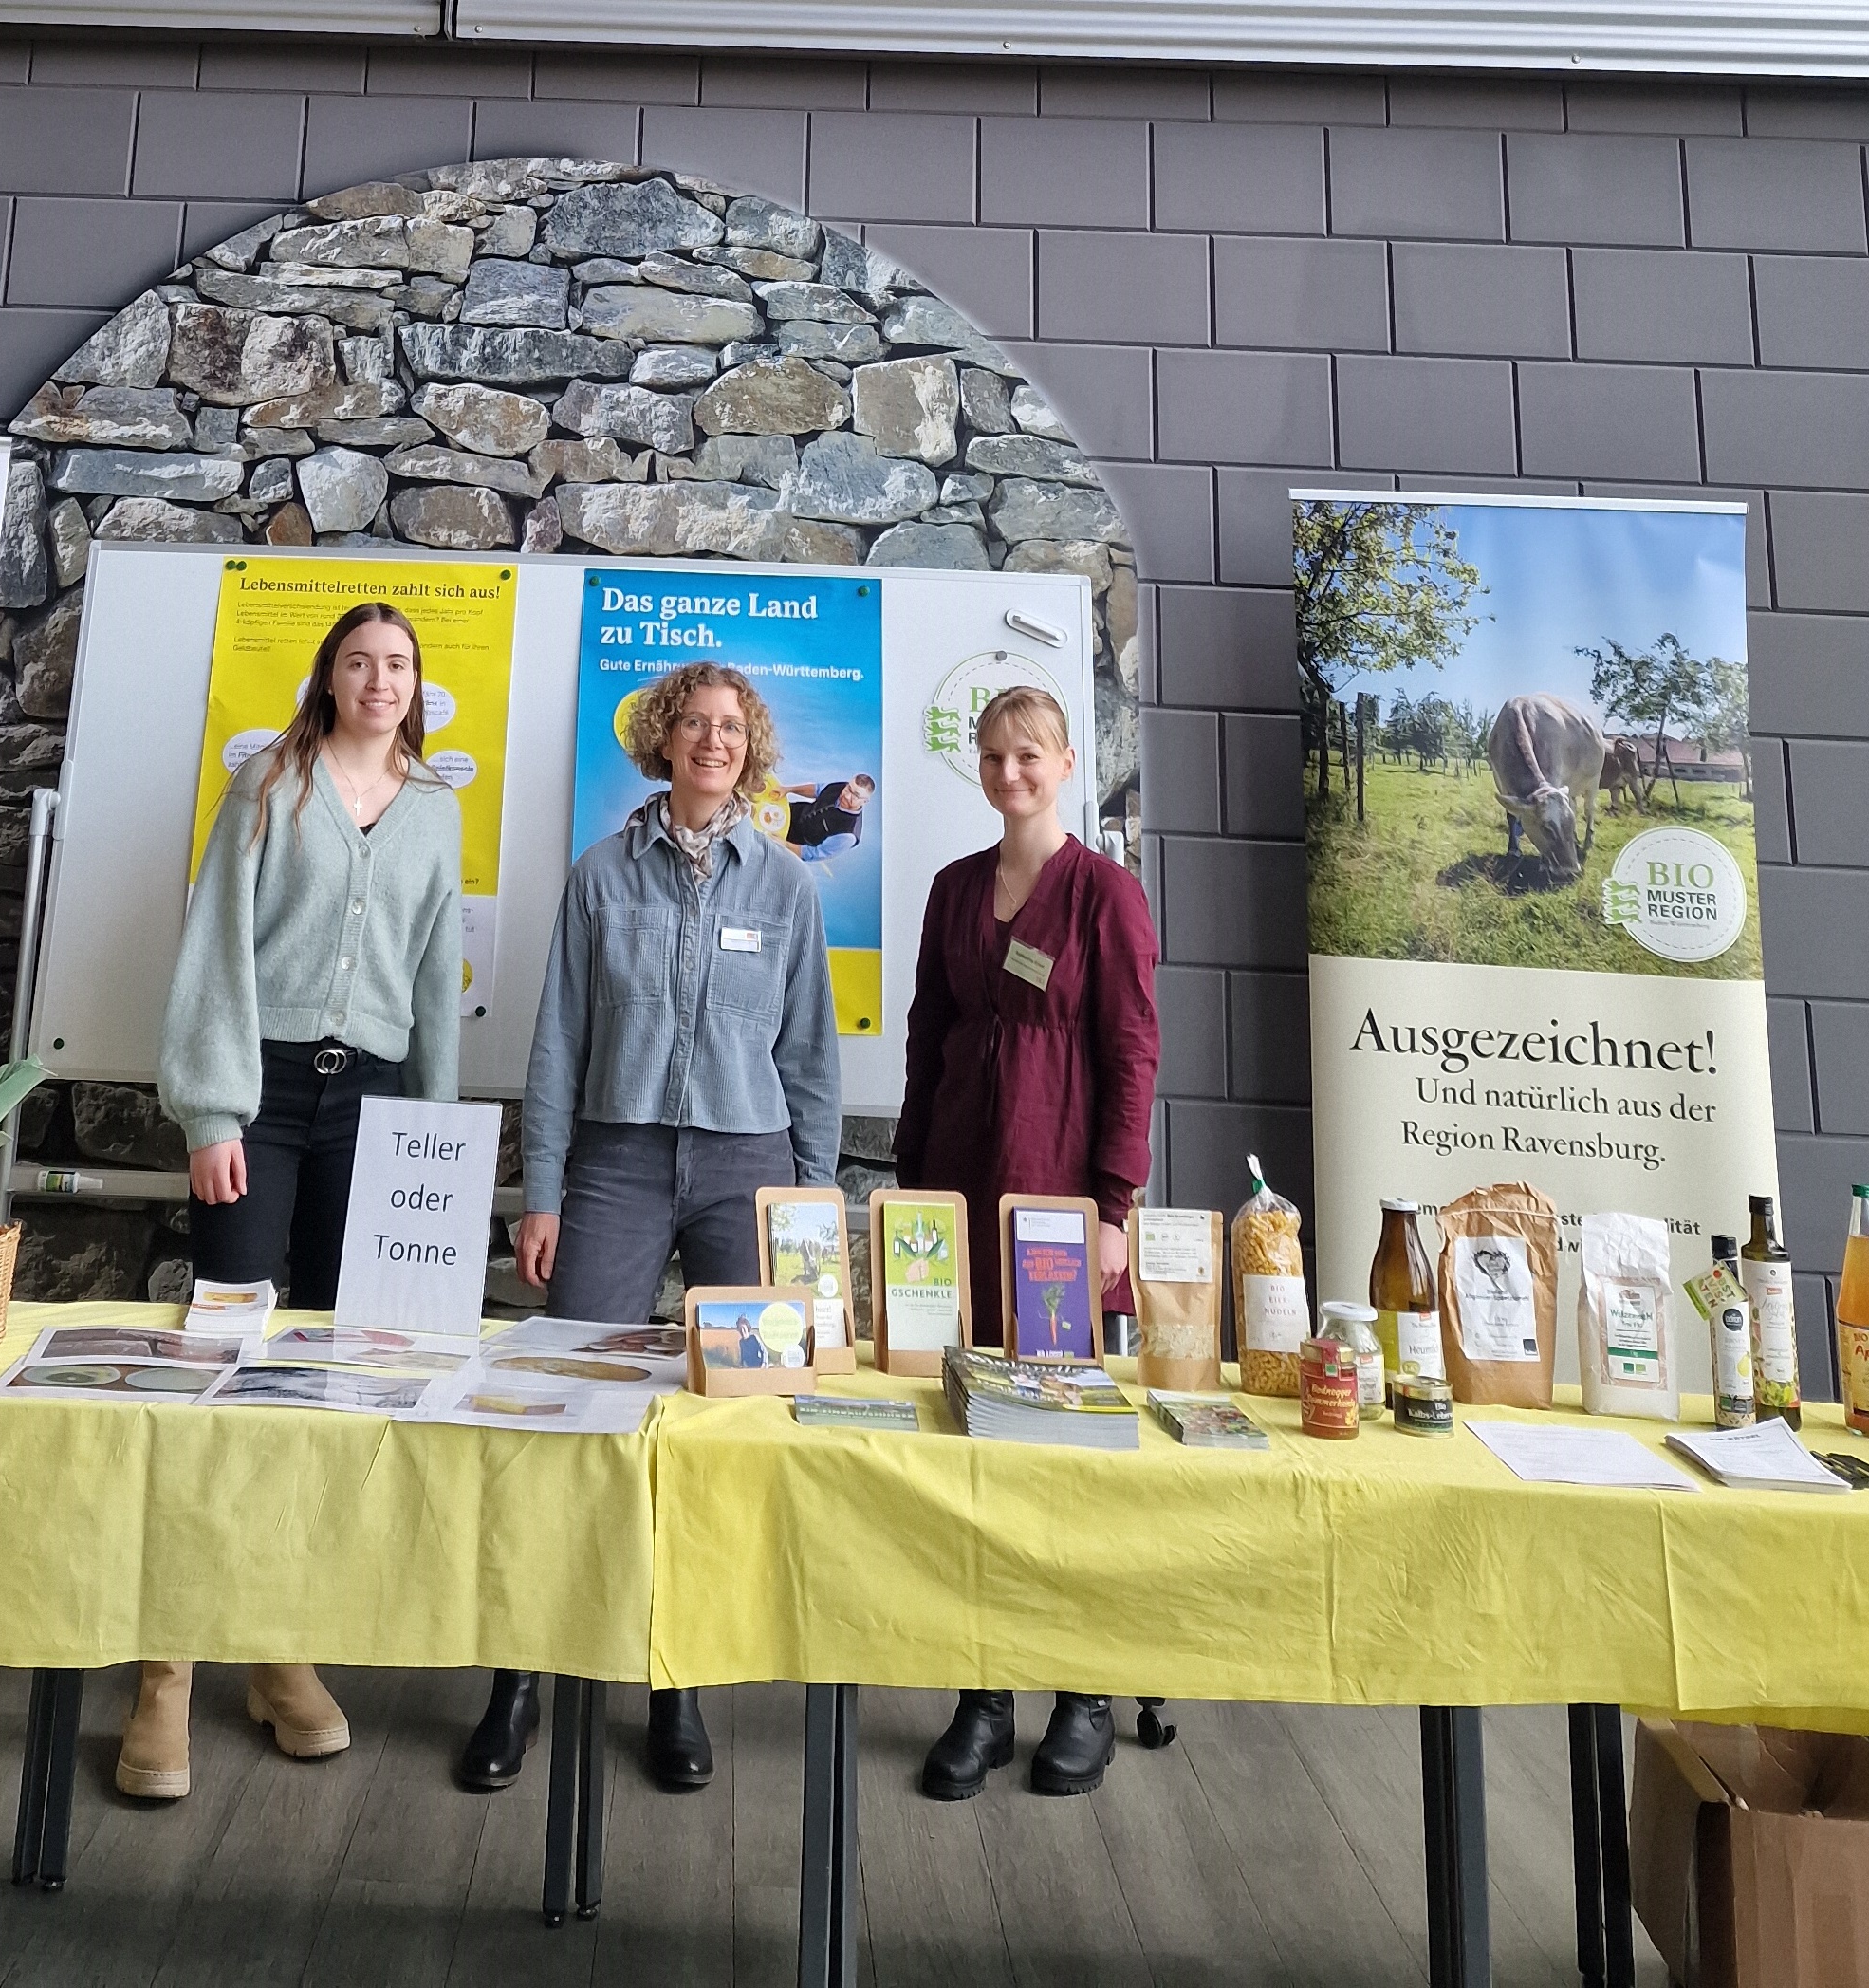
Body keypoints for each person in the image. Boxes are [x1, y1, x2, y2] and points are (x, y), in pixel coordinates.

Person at [455, 660, 841, 1797]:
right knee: (569, 1414)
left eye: (731, 729)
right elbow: (557, 1046)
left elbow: (810, 1058)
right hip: (617, 1163)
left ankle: (676, 1683)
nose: (712, 743)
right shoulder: (598, 875)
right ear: (664, 740)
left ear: (749, 749)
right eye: (695, 725)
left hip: (744, 1171)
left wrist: (806, 1213)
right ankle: (518, 1679)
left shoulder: (785, 887)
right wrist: (544, 1191)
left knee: (727, 1428)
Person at [119, 601, 464, 1800]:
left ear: (418, 686)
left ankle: (278, 1651)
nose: (380, 680)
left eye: (399, 665)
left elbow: (430, 974)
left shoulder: (433, 808)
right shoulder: (270, 783)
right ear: (328, 676)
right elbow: (213, 946)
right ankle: (163, 1672)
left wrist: (430, 1138)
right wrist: (210, 1111)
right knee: (221, 1367)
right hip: (258, 1097)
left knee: (313, 1384)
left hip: (369, 1111)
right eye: (360, 662)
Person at [894, 684, 1160, 1802]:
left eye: (1029, 757)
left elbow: (1132, 1050)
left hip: (1056, 1215)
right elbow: (925, 1031)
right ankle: (984, 1691)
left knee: (1062, 1453)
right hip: (957, 1201)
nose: (1009, 774)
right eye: (993, 756)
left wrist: (1112, 1208)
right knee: (972, 1447)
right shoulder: (954, 890)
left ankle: (1082, 1694)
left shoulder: (1105, 895)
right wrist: (910, 1184)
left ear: (1063, 764)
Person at [784, 771, 875, 859]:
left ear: (865, 801)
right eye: (848, 789)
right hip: (789, 811)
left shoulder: (848, 835)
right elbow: (818, 789)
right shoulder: (841, 787)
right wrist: (788, 790)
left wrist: (782, 844)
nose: (847, 796)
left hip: (792, 840)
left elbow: (812, 853)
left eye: (855, 795)